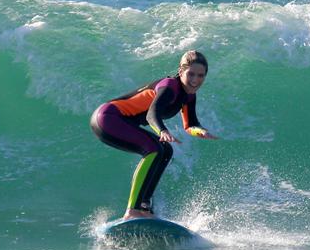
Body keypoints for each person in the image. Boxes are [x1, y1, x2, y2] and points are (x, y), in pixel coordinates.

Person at [90, 50, 218, 220]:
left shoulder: (189, 96)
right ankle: (132, 211)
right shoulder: (170, 86)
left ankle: (144, 207)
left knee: (166, 150)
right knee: (154, 149)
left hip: (119, 122)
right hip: (108, 118)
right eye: (191, 74)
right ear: (181, 71)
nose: (195, 80)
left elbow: (190, 125)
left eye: (201, 76)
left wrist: (201, 131)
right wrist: (162, 131)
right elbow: (152, 114)